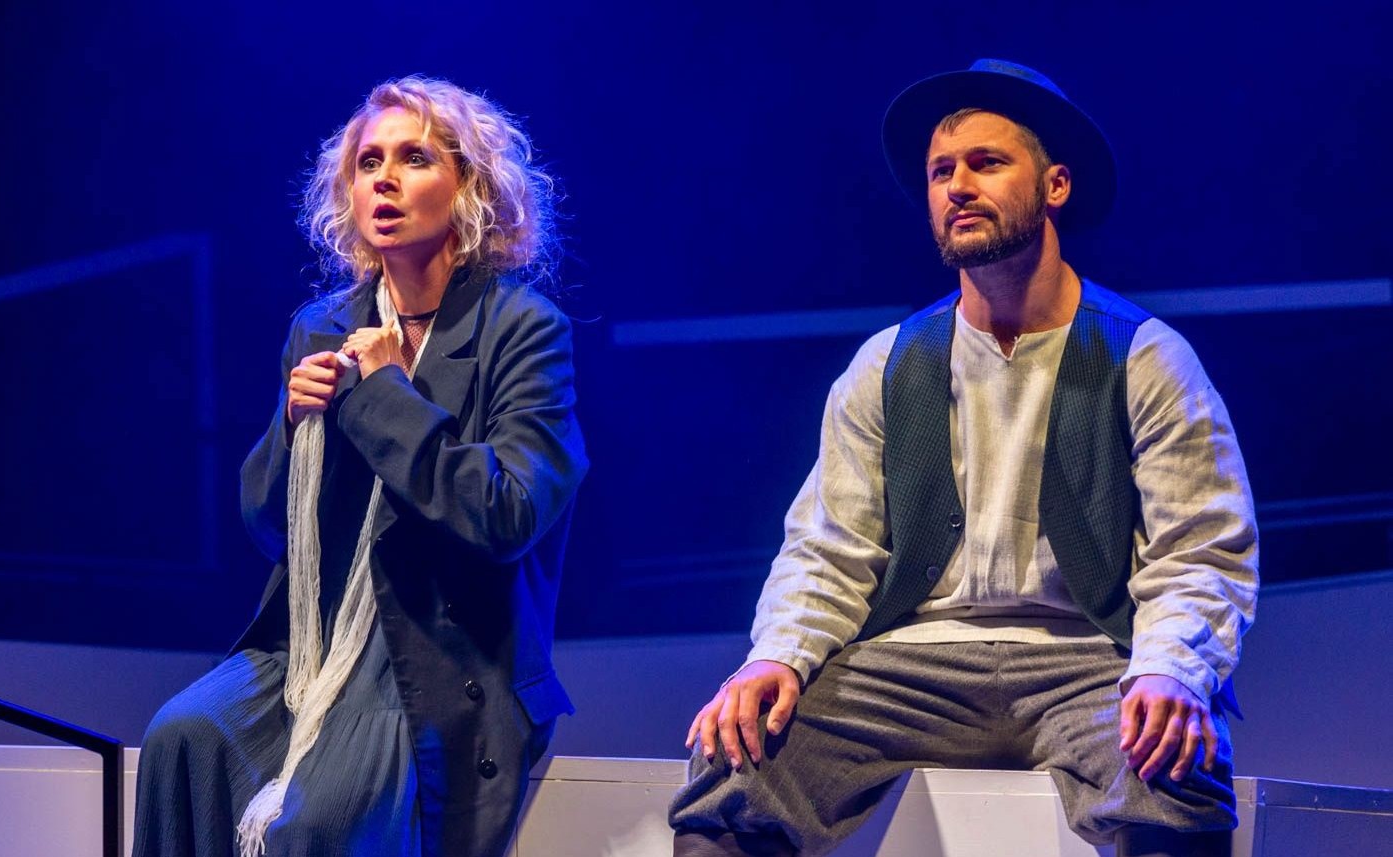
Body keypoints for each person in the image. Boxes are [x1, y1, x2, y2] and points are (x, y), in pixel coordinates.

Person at [668, 59, 1257, 857]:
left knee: (1177, 768)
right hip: (913, 667)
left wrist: (1170, 668)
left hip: (1087, 662)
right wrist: (776, 656)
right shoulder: (889, 363)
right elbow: (828, 547)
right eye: (941, 171)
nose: (958, 187)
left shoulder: (1145, 357)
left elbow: (1200, 546)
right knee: (737, 765)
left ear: (1054, 186)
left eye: (986, 163)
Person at [132, 76, 587, 857]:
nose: (384, 178)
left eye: (414, 158)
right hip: (311, 648)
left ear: (470, 187)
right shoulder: (321, 325)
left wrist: (385, 395)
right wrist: (291, 425)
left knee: (323, 819)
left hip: (439, 656)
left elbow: (507, 514)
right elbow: (271, 528)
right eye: (368, 161)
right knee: (180, 739)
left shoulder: (522, 328)